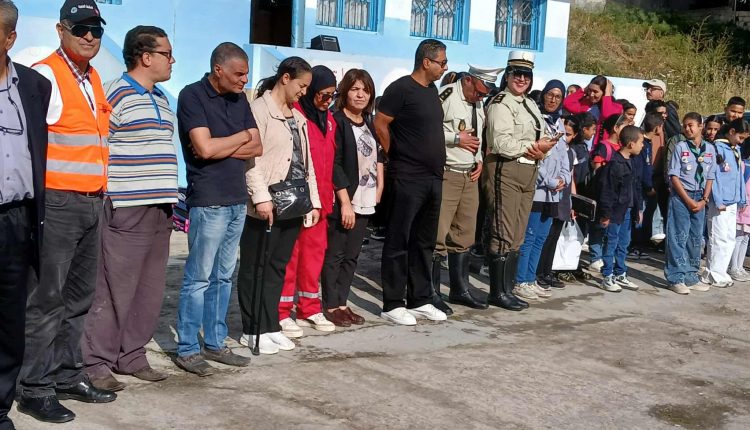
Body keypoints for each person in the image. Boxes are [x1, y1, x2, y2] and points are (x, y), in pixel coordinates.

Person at [18, 1, 117, 423]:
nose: (90, 36)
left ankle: (66, 374)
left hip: (92, 200)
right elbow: (27, 143)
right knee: (47, 299)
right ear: (61, 30)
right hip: (58, 203)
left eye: (96, 29)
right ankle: (34, 387)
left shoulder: (92, 78)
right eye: (81, 29)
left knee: (79, 298)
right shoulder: (45, 75)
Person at [80, 26, 177, 392]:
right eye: (166, 53)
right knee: (113, 287)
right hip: (126, 205)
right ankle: (96, 362)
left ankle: (132, 355)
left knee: (149, 288)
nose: (172, 61)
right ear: (146, 57)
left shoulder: (162, 99)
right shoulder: (113, 93)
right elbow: (98, 146)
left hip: (161, 206)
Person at [174, 42, 260, 375]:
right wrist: (239, 138)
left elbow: (258, 145)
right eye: (239, 74)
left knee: (223, 277)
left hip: (236, 199)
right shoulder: (192, 96)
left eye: (246, 74)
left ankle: (215, 342)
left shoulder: (240, 99)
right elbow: (204, 149)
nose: (244, 80)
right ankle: (187, 348)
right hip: (209, 201)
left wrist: (221, 144)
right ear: (218, 70)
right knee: (199, 278)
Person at [238, 56, 321, 354]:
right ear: (285, 78)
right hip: (266, 203)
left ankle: (271, 324)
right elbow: (251, 159)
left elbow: (306, 163)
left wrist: (313, 202)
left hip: (293, 203)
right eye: (302, 85)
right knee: (255, 266)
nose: (304, 92)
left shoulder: (298, 117)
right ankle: (252, 328)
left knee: (277, 266)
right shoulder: (259, 110)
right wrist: (260, 197)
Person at [0, 2, 51, 428]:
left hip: (17, 218)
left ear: (9, 38)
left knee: (9, 317)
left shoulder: (33, 85)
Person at [374, 39, 449, 325]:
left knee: (424, 241)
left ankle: (420, 299)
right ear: (426, 62)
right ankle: (393, 303)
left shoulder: (432, 91)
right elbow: (380, 123)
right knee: (399, 240)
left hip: (433, 177)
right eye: (442, 62)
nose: (445, 67)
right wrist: (395, 153)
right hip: (407, 176)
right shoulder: (400, 88)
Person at [483, 51, 556, 311]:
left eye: (527, 75)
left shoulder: (530, 104)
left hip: (529, 170)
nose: (522, 79)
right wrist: (532, 147)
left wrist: (543, 148)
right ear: (507, 76)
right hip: (507, 168)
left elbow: (542, 134)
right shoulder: (500, 104)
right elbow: (501, 142)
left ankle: (509, 288)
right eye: (517, 74)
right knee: (503, 231)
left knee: (517, 234)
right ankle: (497, 292)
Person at [434, 65, 502, 311]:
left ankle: (459, 290)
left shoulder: (478, 102)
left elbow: (478, 135)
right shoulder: (446, 96)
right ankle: (431, 292)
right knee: (438, 234)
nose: (481, 97)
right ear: (469, 80)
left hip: (469, 174)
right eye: (480, 91)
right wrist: (455, 139)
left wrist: (479, 160)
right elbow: (428, 130)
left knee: (464, 234)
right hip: (448, 171)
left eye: (485, 94)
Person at [276, 65, 337, 338]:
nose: (327, 101)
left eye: (332, 96)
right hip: (299, 199)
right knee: (291, 256)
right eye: (323, 95)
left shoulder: (330, 120)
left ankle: (309, 308)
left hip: (321, 200)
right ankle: (281, 311)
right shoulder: (296, 115)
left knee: (314, 255)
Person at [322, 68, 383, 327]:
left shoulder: (368, 122)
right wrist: (345, 201)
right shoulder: (337, 121)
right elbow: (334, 164)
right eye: (355, 89)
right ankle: (330, 305)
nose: (360, 95)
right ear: (344, 92)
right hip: (345, 199)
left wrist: (379, 187)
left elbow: (379, 156)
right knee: (335, 254)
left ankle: (342, 303)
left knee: (352, 255)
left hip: (366, 199)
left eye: (365, 90)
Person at [514, 80, 571, 300]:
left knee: (541, 237)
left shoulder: (559, 124)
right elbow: (532, 155)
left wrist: (564, 178)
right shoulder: (536, 120)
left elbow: (564, 156)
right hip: (538, 188)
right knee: (529, 236)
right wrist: (548, 180)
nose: (553, 100)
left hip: (554, 193)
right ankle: (520, 280)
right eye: (550, 94)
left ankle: (531, 278)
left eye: (558, 96)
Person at [664, 113, 716, 294]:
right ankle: (676, 277)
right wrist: (687, 199)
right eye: (685, 125)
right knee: (678, 236)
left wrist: (704, 200)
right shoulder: (680, 147)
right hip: (682, 196)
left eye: (691, 125)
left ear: (701, 126)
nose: (687, 129)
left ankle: (691, 275)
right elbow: (674, 176)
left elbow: (710, 176)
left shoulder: (710, 149)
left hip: (700, 196)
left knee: (695, 238)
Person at [701, 118, 750, 288]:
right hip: (720, 202)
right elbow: (713, 176)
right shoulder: (716, 148)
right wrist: (718, 199)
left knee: (729, 238)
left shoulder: (735, 150)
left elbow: (738, 177)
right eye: (740, 137)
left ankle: (721, 271)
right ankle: (713, 273)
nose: (741, 141)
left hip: (733, 201)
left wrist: (742, 198)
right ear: (731, 132)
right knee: (718, 238)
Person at [595, 125, 644, 291]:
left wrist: (638, 208)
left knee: (624, 243)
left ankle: (620, 273)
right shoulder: (615, 164)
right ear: (631, 144)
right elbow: (607, 191)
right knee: (611, 242)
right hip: (615, 211)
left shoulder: (632, 162)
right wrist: (606, 214)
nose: (642, 145)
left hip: (627, 210)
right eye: (641, 142)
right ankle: (607, 275)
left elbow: (635, 187)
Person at [538, 115, 579, 288]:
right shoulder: (552, 148)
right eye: (563, 133)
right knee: (544, 236)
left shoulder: (571, 153)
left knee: (554, 237)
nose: (564, 137)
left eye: (568, 135)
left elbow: (571, 176)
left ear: (575, 135)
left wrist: (572, 202)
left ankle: (547, 271)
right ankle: (538, 272)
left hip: (563, 198)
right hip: (549, 194)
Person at [631, 113, 664, 258]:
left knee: (645, 216)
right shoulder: (643, 144)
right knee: (639, 217)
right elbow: (643, 168)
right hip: (640, 188)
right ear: (657, 128)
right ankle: (635, 246)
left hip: (644, 186)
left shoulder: (648, 143)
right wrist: (649, 186)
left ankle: (642, 243)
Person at [563, 75, 622, 148]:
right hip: (581, 147)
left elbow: (606, 114)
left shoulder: (616, 107)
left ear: (604, 92)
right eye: (590, 90)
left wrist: (607, 95)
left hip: (600, 148)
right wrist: (584, 90)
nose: (591, 94)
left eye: (595, 92)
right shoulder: (585, 104)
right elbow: (566, 103)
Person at [728, 119, 750, 281]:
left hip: (749, 210)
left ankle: (739, 266)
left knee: (745, 237)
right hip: (742, 206)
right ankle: (733, 266)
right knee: (737, 236)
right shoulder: (744, 165)